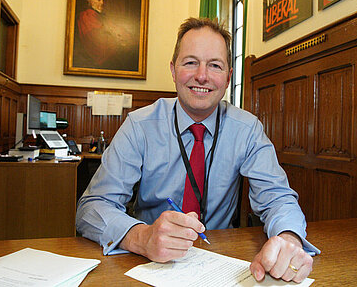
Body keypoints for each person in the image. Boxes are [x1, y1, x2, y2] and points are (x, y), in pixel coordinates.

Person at [76, 17, 319, 283]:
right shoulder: (139, 125)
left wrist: (288, 239)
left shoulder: (248, 129)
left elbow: (278, 198)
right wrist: (142, 237)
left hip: (221, 262)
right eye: (190, 62)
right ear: (173, 70)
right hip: (145, 266)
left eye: (214, 65)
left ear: (228, 78)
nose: (201, 75)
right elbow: (92, 207)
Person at [75, 0, 136, 71]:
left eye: (104, 0)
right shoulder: (86, 15)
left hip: (113, 51)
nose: (102, 3)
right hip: (102, 57)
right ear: (90, 2)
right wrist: (119, 43)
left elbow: (118, 30)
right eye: (99, 0)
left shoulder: (103, 16)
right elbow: (95, 37)